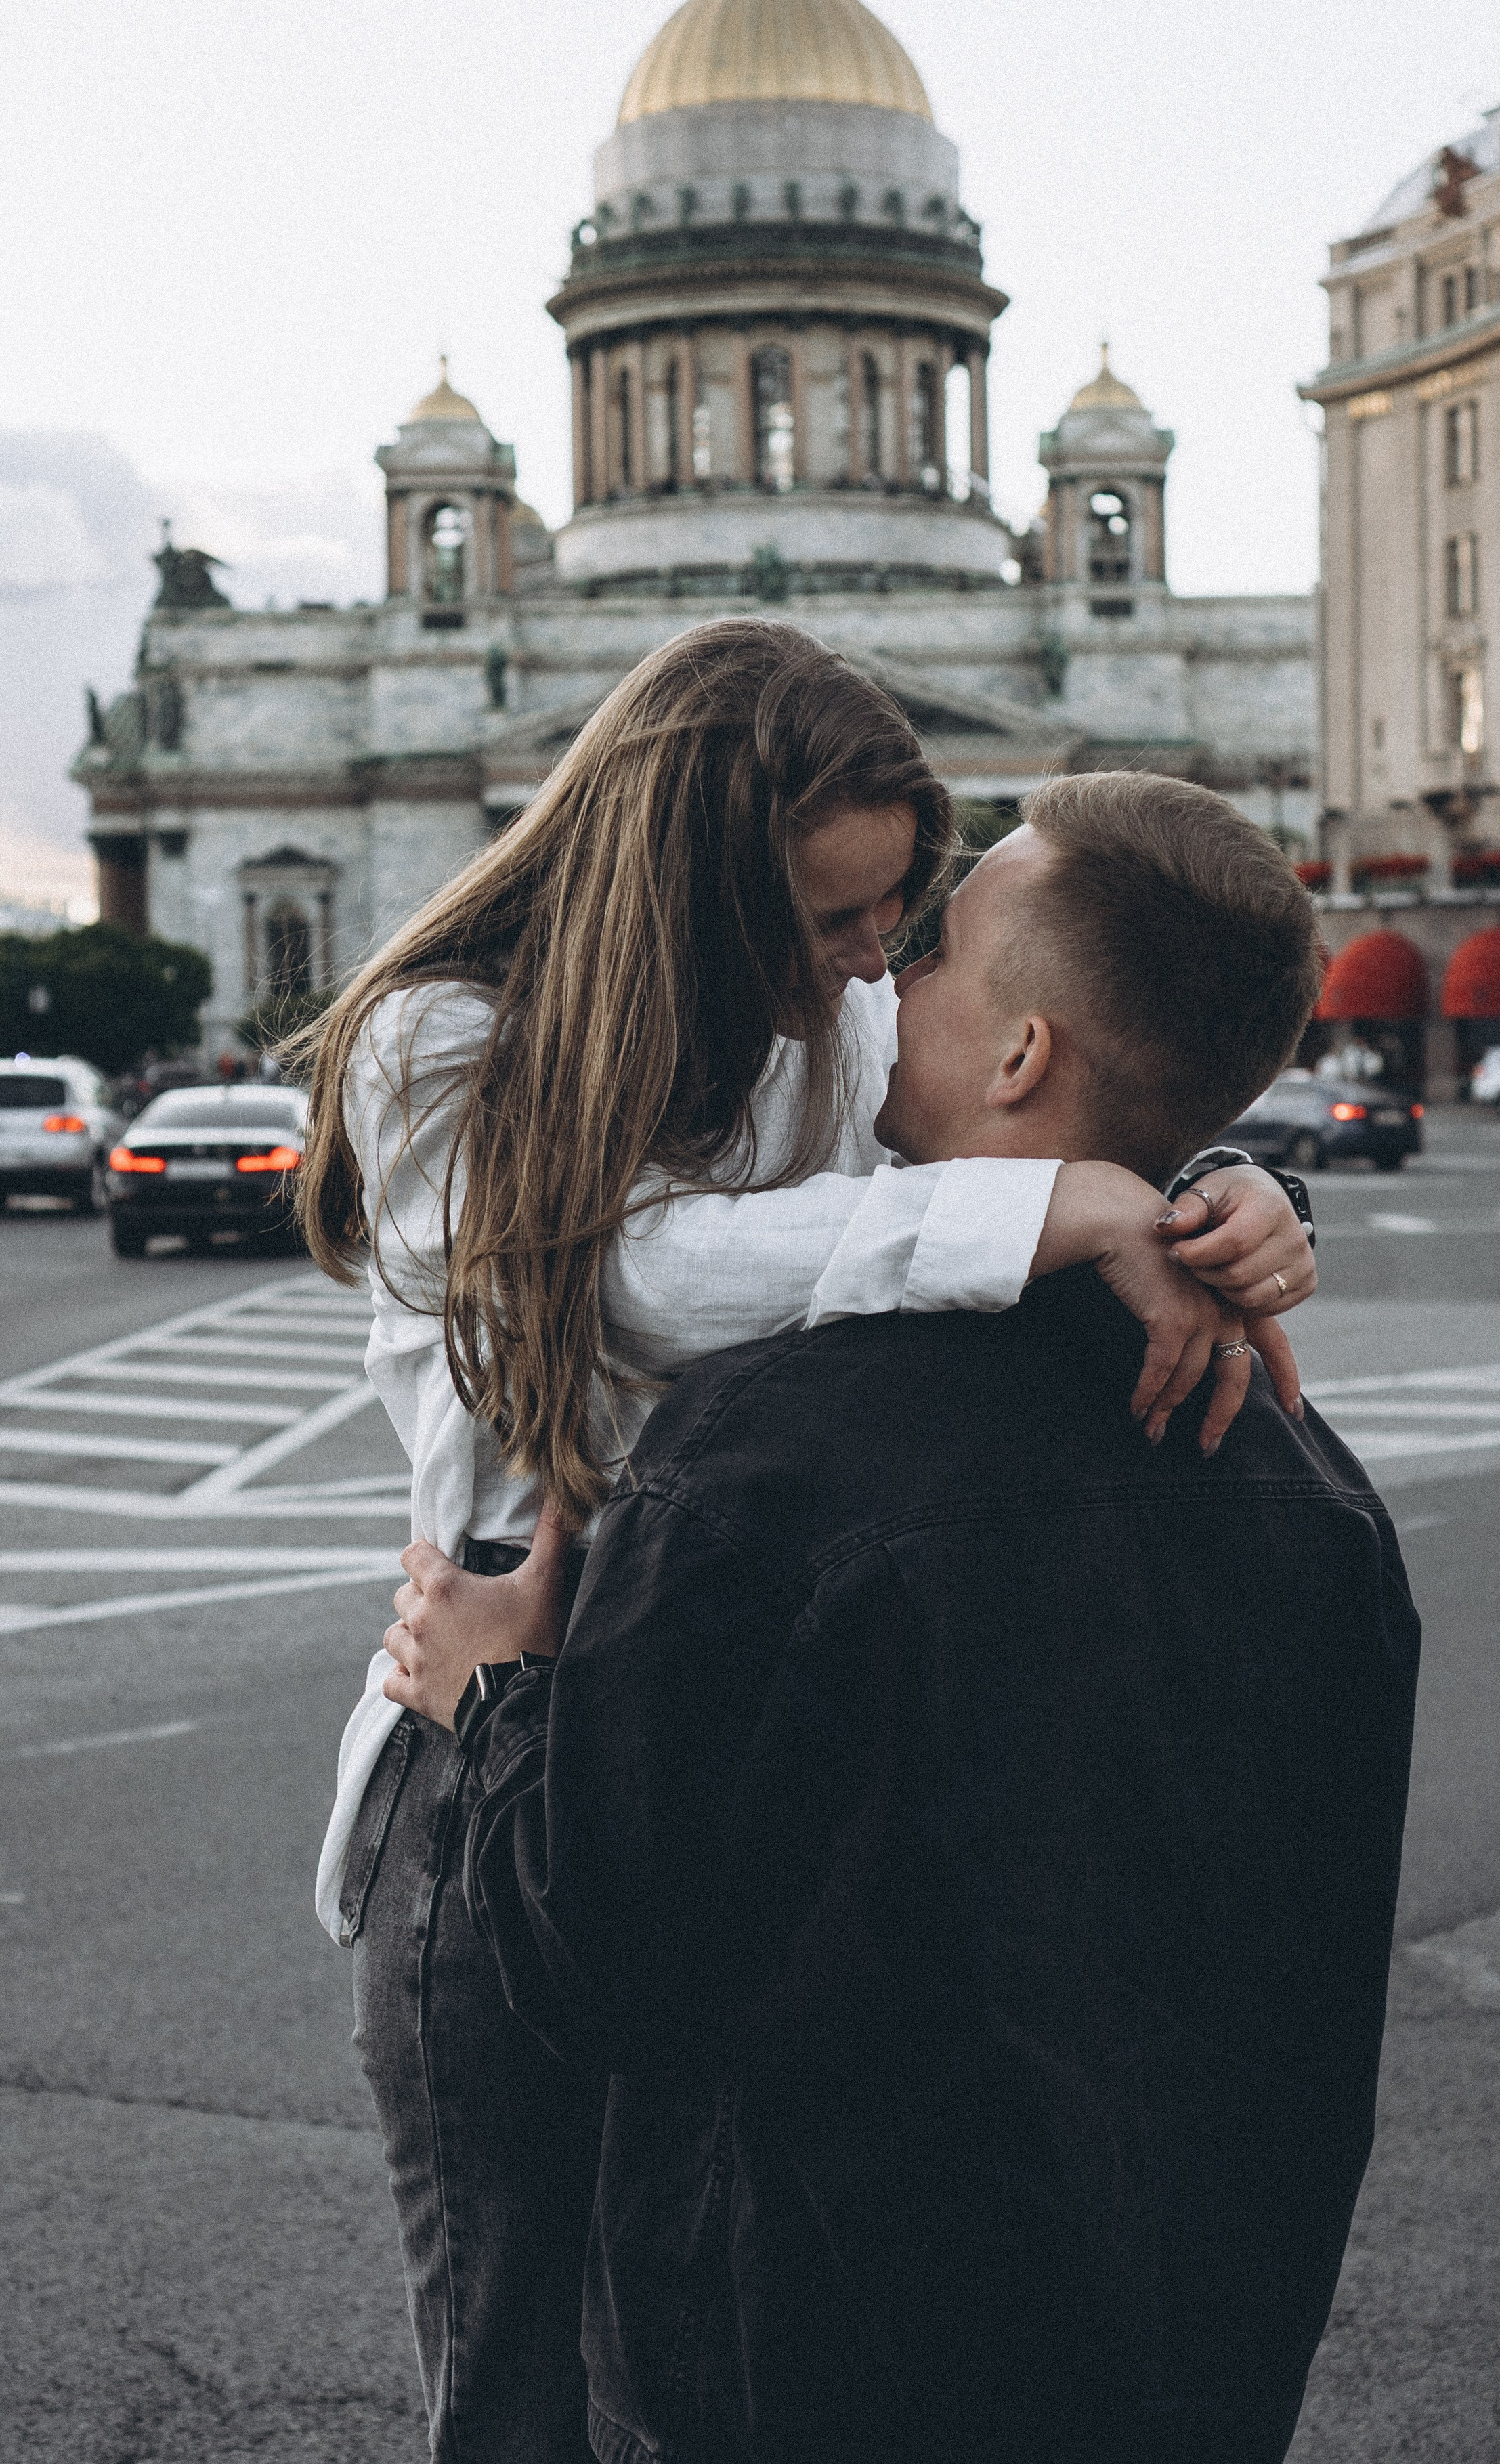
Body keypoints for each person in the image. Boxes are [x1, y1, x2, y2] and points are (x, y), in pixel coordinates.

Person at [295, 624, 1316, 2464]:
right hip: (504, 1724)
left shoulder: (826, 1018)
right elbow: (606, 1275)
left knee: (706, 2345)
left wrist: (1218, 1197)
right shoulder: (439, 1038)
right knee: (516, 2373)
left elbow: (1020, 1105)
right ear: (688, 889)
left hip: (737, 1740)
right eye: (837, 922)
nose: (870, 968)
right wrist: (1051, 1206)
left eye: (897, 919)